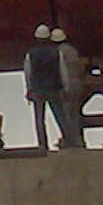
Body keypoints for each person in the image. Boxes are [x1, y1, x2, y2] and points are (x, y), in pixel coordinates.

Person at [23, 24, 71, 152]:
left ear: (37, 38)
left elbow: (28, 73)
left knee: (39, 120)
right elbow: (63, 71)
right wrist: (65, 88)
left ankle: (42, 145)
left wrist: (28, 90)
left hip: (38, 90)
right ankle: (68, 141)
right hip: (54, 89)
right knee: (60, 117)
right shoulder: (56, 52)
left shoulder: (30, 54)